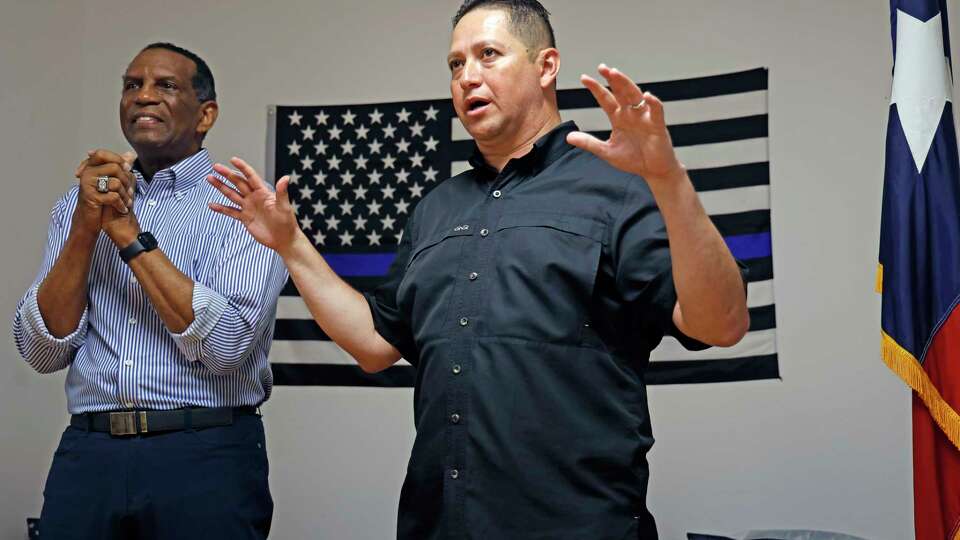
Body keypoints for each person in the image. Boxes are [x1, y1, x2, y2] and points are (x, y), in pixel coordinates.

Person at [208, 1, 749, 538]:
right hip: (440, 524)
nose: (467, 77)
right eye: (455, 64)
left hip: (578, 525)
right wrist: (290, 243)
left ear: (546, 67)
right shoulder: (437, 208)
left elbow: (720, 324)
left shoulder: (619, 187)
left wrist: (669, 180)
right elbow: (375, 345)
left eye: (488, 55)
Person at [12, 42, 286, 539]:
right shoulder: (79, 205)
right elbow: (39, 349)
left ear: (206, 115)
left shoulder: (245, 206)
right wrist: (84, 228)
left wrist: (127, 233)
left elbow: (226, 346)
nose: (143, 97)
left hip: (205, 452)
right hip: (90, 453)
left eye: (165, 85)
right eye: (131, 85)